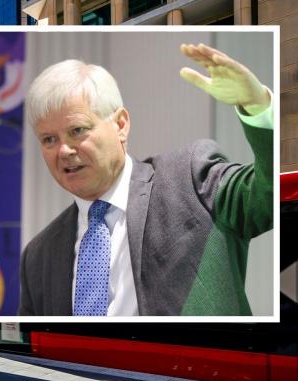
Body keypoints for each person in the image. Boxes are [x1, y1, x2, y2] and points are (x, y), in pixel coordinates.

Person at [18, 43, 273, 316]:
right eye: (49, 139)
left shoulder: (191, 178)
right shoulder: (37, 256)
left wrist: (257, 107)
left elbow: (268, 198)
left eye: (77, 130)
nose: (64, 151)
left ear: (120, 124)